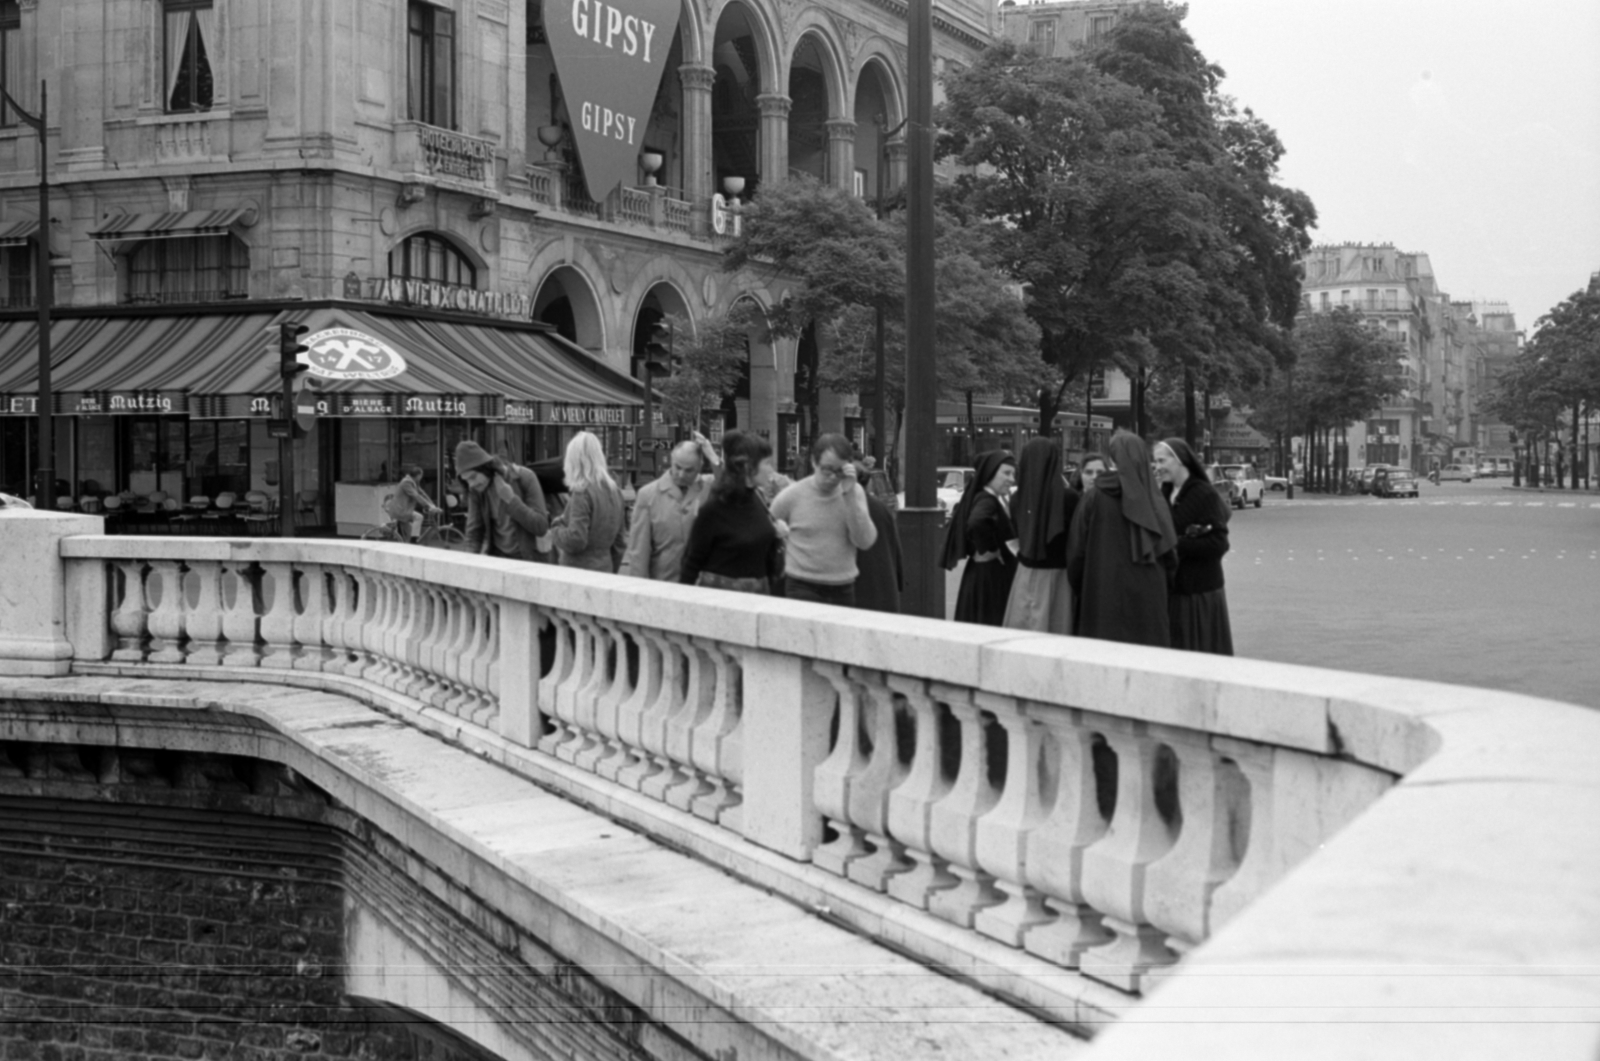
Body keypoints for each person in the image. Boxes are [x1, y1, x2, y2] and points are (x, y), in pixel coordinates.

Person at [1066, 433, 1177, 647]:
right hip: (1149, 598)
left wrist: (1085, 588)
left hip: (1102, 593)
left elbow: (1076, 551)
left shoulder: (1094, 496)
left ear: (1113, 459)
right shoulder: (1155, 499)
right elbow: (1170, 555)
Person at [769, 433, 878, 606]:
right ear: (814, 462)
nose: (833, 477)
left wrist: (849, 495)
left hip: (843, 586)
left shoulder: (854, 492)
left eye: (839, 471)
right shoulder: (792, 495)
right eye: (827, 470)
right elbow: (767, 526)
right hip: (801, 584)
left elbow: (864, 541)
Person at [1153, 438, 1234, 655]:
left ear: (1180, 460)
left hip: (1200, 593)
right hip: (1174, 591)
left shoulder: (1203, 494)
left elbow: (1219, 543)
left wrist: (1176, 544)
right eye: (1155, 462)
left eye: (1162, 460)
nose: (1158, 467)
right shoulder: (1164, 493)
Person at [680, 431, 784, 594]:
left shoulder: (757, 498)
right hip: (722, 600)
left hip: (759, 598)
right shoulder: (714, 509)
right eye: (767, 463)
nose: (771, 469)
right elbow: (691, 564)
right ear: (749, 467)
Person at [1003, 438, 1079, 634]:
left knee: (1023, 630)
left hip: (1025, 574)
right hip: (1058, 577)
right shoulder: (1069, 498)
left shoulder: (1017, 499)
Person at [622, 434, 719, 581]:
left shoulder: (708, 487)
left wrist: (713, 456)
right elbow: (639, 553)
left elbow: (733, 486)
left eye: (689, 470)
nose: (681, 474)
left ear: (699, 467)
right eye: (677, 467)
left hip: (700, 587)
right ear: (671, 462)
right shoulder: (648, 495)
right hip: (664, 583)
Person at [942, 450, 1018, 626]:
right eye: (1006, 473)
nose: (1012, 479)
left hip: (982, 577)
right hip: (989, 579)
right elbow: (977, 522)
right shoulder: (987, 499)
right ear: (990, 473)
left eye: (1013, 474)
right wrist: (992, 549)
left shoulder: (986, 497)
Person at [456, 440, 550, 562]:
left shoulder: (526, 477)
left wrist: (511, 500)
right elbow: (474, 534)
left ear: (485, 468)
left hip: (529, 561)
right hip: (499, 559)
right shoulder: (476, 490)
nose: (471, 484)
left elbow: (541, 526)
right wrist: (467, 565)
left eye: (473, 477)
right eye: (466, 480)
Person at [549, 431, 628, 572]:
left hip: (577, 573)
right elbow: (620, 543)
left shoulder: (582, 492)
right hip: (604, 570)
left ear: (574, 461)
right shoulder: (615, 491)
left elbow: (576, 540)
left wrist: (555, 529)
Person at [854, 450, 904, 613]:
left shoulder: (848, 506)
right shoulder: (880, 507)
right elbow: (894, 546)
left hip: (858, 591)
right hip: (883, 587)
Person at [383, 463, 442, 542]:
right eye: (421, 476)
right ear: (418, 475)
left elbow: (422, 493)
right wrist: (429, 506)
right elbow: (416, 496)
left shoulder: (413, 482)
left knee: (409, 533)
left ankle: (409, 543)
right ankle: (414, 542)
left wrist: (432, 505)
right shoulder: (406, 482)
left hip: (404, 509)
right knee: (419, 517)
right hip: (400, 510)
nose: (421, 478)